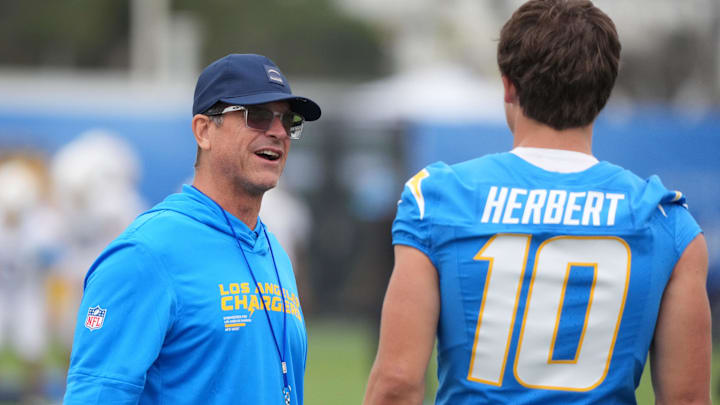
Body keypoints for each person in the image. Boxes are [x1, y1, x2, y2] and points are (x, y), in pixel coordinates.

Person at [363, 1, 711, 404]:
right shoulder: (664, 218)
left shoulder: (440, 197)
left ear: (509, 85)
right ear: (604, 88)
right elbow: (686, 399)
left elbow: (398, 383)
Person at [64, 53, 321, 404]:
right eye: (257, 116)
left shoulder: (273, 250)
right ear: (204, 131)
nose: (277, 132)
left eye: (287, 120)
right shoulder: (146, 252)